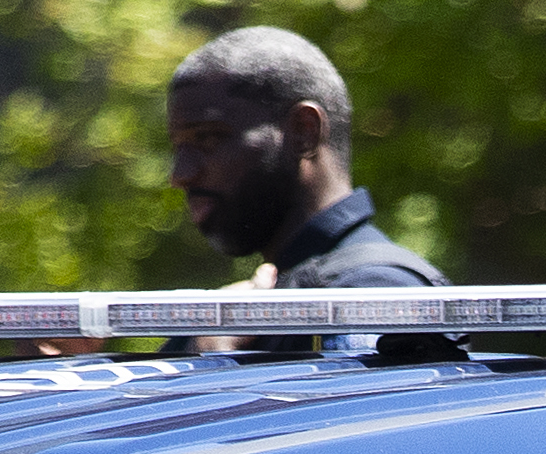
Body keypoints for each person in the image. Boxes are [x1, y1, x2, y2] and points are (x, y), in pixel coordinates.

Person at [165, 27, 444, 290]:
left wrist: (221, 341)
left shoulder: (375, 288)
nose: (180, 174)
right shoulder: (287, 290)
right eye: (178, 148)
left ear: (303, 131)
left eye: (207, 138)